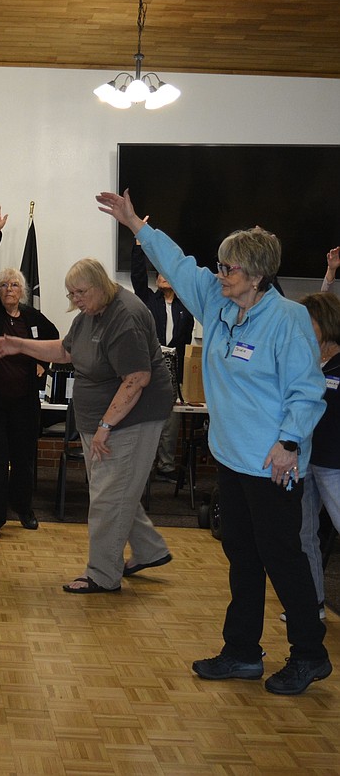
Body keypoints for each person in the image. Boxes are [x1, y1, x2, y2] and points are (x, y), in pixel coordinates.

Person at [97, 188, 330, 696]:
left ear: (257, 276)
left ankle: (310, 654)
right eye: (220, 267)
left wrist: (289, 443)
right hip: (232, 458)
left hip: (274, 465)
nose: (219, 275)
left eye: (229, 269)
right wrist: (136, 225)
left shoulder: (287, 321)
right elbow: (178, 264)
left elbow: (308, 391)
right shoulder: (216, 301)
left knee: (282, 559)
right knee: (242, 559)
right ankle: (243, 652)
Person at [0, 257, 173, 593]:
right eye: (71, 294)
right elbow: (65, 350)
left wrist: (105, 425)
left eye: (81, 293)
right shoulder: (91, 312)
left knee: (107, 497)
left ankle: (103, 574)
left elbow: (136, 379)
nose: (75, 300)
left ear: (102, 285)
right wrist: (20, 345)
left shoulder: (126, 316)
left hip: (132, 418)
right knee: (114, 490)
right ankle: (150, 549)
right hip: (102, 418)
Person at [0, 206, 59, 540]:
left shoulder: (33, 318)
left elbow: (56, 341)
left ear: (23, 289)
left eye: (14, 284)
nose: (9, 289)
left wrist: (43, 365)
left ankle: (25, 509)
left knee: (23, 462)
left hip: (23, 405)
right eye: (3, 285)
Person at [291, 291, 340, 623]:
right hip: (303, 461)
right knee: (303, 534)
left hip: (335, 465)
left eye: (308, 322)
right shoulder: (305, 360)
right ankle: (313, 605)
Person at [131, 233, 195, 481]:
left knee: (171, 421)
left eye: (166, 273)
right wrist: (138, 247)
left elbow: (187, 342)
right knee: (146, 418)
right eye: (158, 274)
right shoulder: (148, 299)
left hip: (176, 370)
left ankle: (166, 465)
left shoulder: (185, 307)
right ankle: (144, 467)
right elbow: (137, 277)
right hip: (150, 367)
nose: (162, 276)